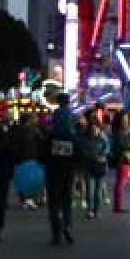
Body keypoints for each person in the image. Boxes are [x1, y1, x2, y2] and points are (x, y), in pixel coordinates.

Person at [43, 93, 80, 246]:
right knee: (66, 200)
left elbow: (43, 153)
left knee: (54, 203)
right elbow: (79, 152)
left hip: (53, 170)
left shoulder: (51, 133)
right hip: (68, 169)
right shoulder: (72, 129)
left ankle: (56, 233)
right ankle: (67, 225)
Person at [7, 113, 41, 210]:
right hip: (31, 158)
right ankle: (29, 200)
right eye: (35, 118)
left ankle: (24, 200)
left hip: (20, 159)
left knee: (22, 179)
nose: (36, 120)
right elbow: (40, 143)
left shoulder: (17, 131)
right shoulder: (35, 131)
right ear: (29, 120)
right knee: (31, 179)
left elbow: (12, 145)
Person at [80, 118, 109, 219]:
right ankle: (90, 210)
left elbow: (107, 149)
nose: (94, 130)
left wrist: (102, 155)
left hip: (100, 166)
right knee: (90, 190)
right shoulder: (85, 138)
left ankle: (96, 210)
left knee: (97, 191)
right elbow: (83, 151)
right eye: (92, 128)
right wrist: (94, 156)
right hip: (89, 166)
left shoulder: (103, 137)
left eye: (96, 127)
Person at [109, 111, 130, 214]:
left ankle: (117, 205)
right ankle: (117, 206)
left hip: (122, 158)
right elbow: (121, 146)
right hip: (122, 159)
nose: (126, 120)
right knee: (121, 182)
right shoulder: (119, 131)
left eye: (127, 118)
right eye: (124, 118)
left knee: (121, 182)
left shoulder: (121, 130)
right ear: (120, 120)